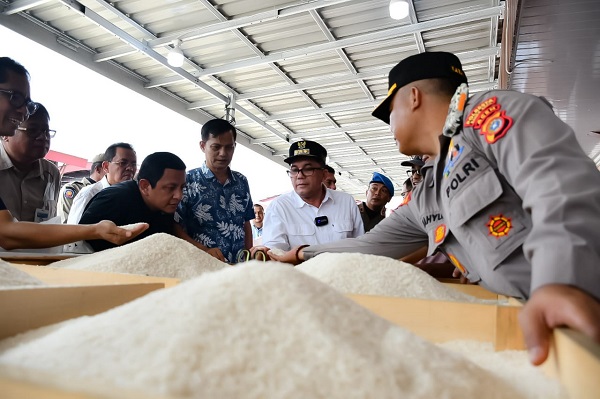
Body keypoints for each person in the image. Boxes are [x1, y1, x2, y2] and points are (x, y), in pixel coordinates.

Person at [269, 51, 600, 366]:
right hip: (544, 321)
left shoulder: (489, 115)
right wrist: (298, 255)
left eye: (390, 111)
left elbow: (559, 187)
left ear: (413, 97)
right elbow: (369, 246)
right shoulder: (428, 192)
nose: (389, 125)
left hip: (579, 298)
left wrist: (559, 281)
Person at [0, 57, 147, 249]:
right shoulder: (88, 194)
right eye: (15, 98)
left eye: (26, 103)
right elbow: (6, 232)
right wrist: (94, 230)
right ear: (105, 166)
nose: (22, 111)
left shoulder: (50, 172)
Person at [259, 140, 364, 252]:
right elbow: (275, 253)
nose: (299, 176)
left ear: (323, 175)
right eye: (294, 170)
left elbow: (360, 246)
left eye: (308, 169)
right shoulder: (279, 207)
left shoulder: (346, 202)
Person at [175, 118, 254, 263]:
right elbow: (175, 226)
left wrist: (249, 257)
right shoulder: (187, 181)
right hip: (202, 265)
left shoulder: (241, 181)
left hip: (239, 267)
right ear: (202, 146)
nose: (223, 153)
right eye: (216, 147)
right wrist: (204, 250)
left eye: (229, 147)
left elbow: (246, 222)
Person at [79, 152, 186, 252]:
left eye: (182, 188)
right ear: (145, 186)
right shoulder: (115, 200)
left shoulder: (165, 210)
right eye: (170, 188)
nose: (179, 196)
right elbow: (82, 240)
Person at [0, 102, 60, 222]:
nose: (43, 137)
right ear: (6, 134)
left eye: (46, 131)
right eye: (33, 130)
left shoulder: (51, 173)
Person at [67, 142, 137, 225]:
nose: (130, 168)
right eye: (123, 163)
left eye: (133, 164)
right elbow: (75, 231)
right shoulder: (90, 194)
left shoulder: (134, 196)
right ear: (106, 166)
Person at [57, 153, 106, 223]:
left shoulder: (109, 191)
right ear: (98, 169)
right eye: (108, 168)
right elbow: (66, 222)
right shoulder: (74, 189)